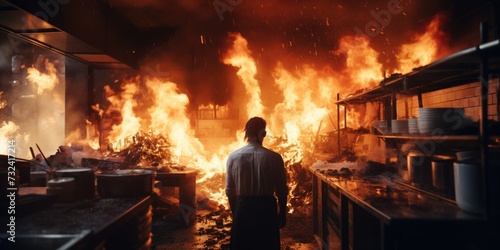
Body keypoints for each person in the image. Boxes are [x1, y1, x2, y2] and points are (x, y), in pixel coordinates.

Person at [225, 116, 288, 250]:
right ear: (263, 133)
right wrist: (282, 213)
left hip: (243, 208)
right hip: (266, 209)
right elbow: (281, 190)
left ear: (246, 133)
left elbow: (230, 191)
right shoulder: (274, 158)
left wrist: (236, 214)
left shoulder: (233, 157)